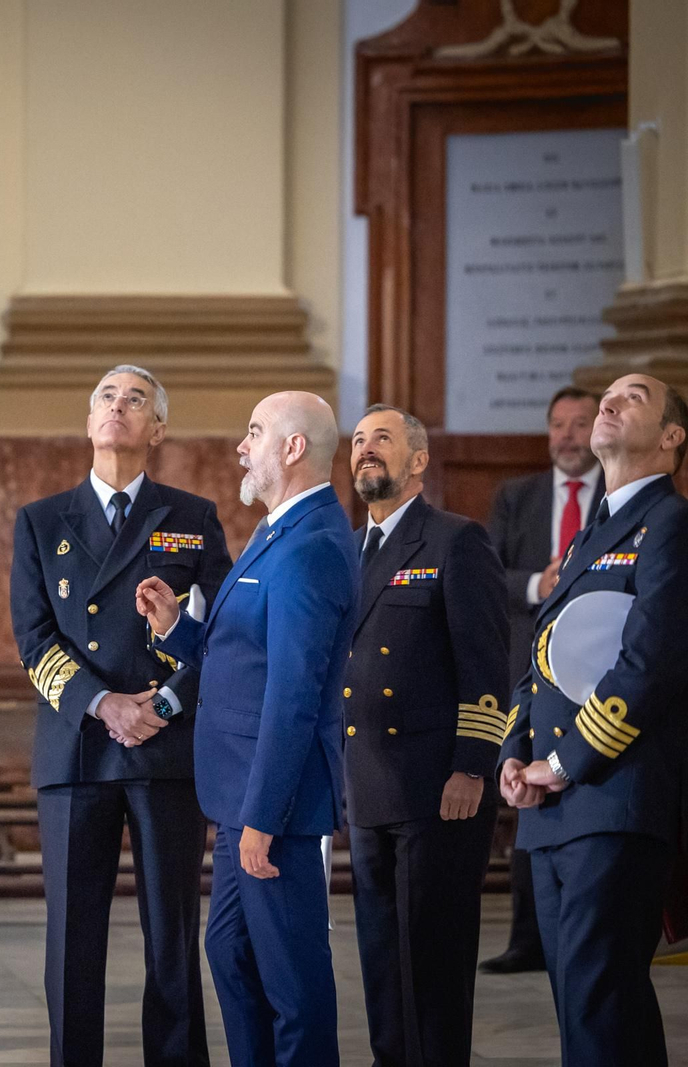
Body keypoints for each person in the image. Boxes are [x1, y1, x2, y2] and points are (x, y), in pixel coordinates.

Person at [10, 365, 230, 1067]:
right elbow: (33, 636)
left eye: (136, 399)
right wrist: (103, 703)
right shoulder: (42, 520)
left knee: (171, 935)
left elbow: (225, 633)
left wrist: (164, 702)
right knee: (72, 939)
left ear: (157, 429)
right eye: (106, 395)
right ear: (88, 420)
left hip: (166, 747)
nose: (118, 406)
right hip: (77, 747)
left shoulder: (191, 516)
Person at [136, 391, 357, 1067]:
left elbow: (295, 694)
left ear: (293, 447)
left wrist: (264, 815)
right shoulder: (276, 532)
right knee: (231, 953)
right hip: (239, 799)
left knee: (291, 978)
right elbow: (247, 656)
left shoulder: (313, 544)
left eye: (255, 431)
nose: (241, 445)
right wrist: (179, 628)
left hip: (272, 806)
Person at [499, 374, 688, 1067]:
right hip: (551, 808)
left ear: (672, 438)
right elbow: (538, 660)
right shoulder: (590, 537)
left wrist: (564, 761)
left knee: (598, 1001)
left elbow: (651, 665)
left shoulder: (670, 524)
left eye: (632, 397)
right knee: (587, 1005)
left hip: (611, 795)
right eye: (606, 395)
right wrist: (512, 756)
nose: (609, 402)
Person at [343, 404, 508, 1066]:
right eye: (356, 440)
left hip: (437, 790)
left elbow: (487, 661)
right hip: (366, 786)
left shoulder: (454, 540)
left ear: (418, 460)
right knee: (381, 963)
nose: (364, 449)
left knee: (433, 967)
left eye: (381, 438)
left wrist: (472, 766)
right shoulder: (346, 549)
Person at [481, 384, 603, 973]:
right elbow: (486, 576)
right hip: (526, 671)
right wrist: (540, 586)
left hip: (600, 679)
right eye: (559, 424)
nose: (568, 436)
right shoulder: (516, 495)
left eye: (580, 423)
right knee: (526, 800)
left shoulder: (618, 495)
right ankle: (528, 939)